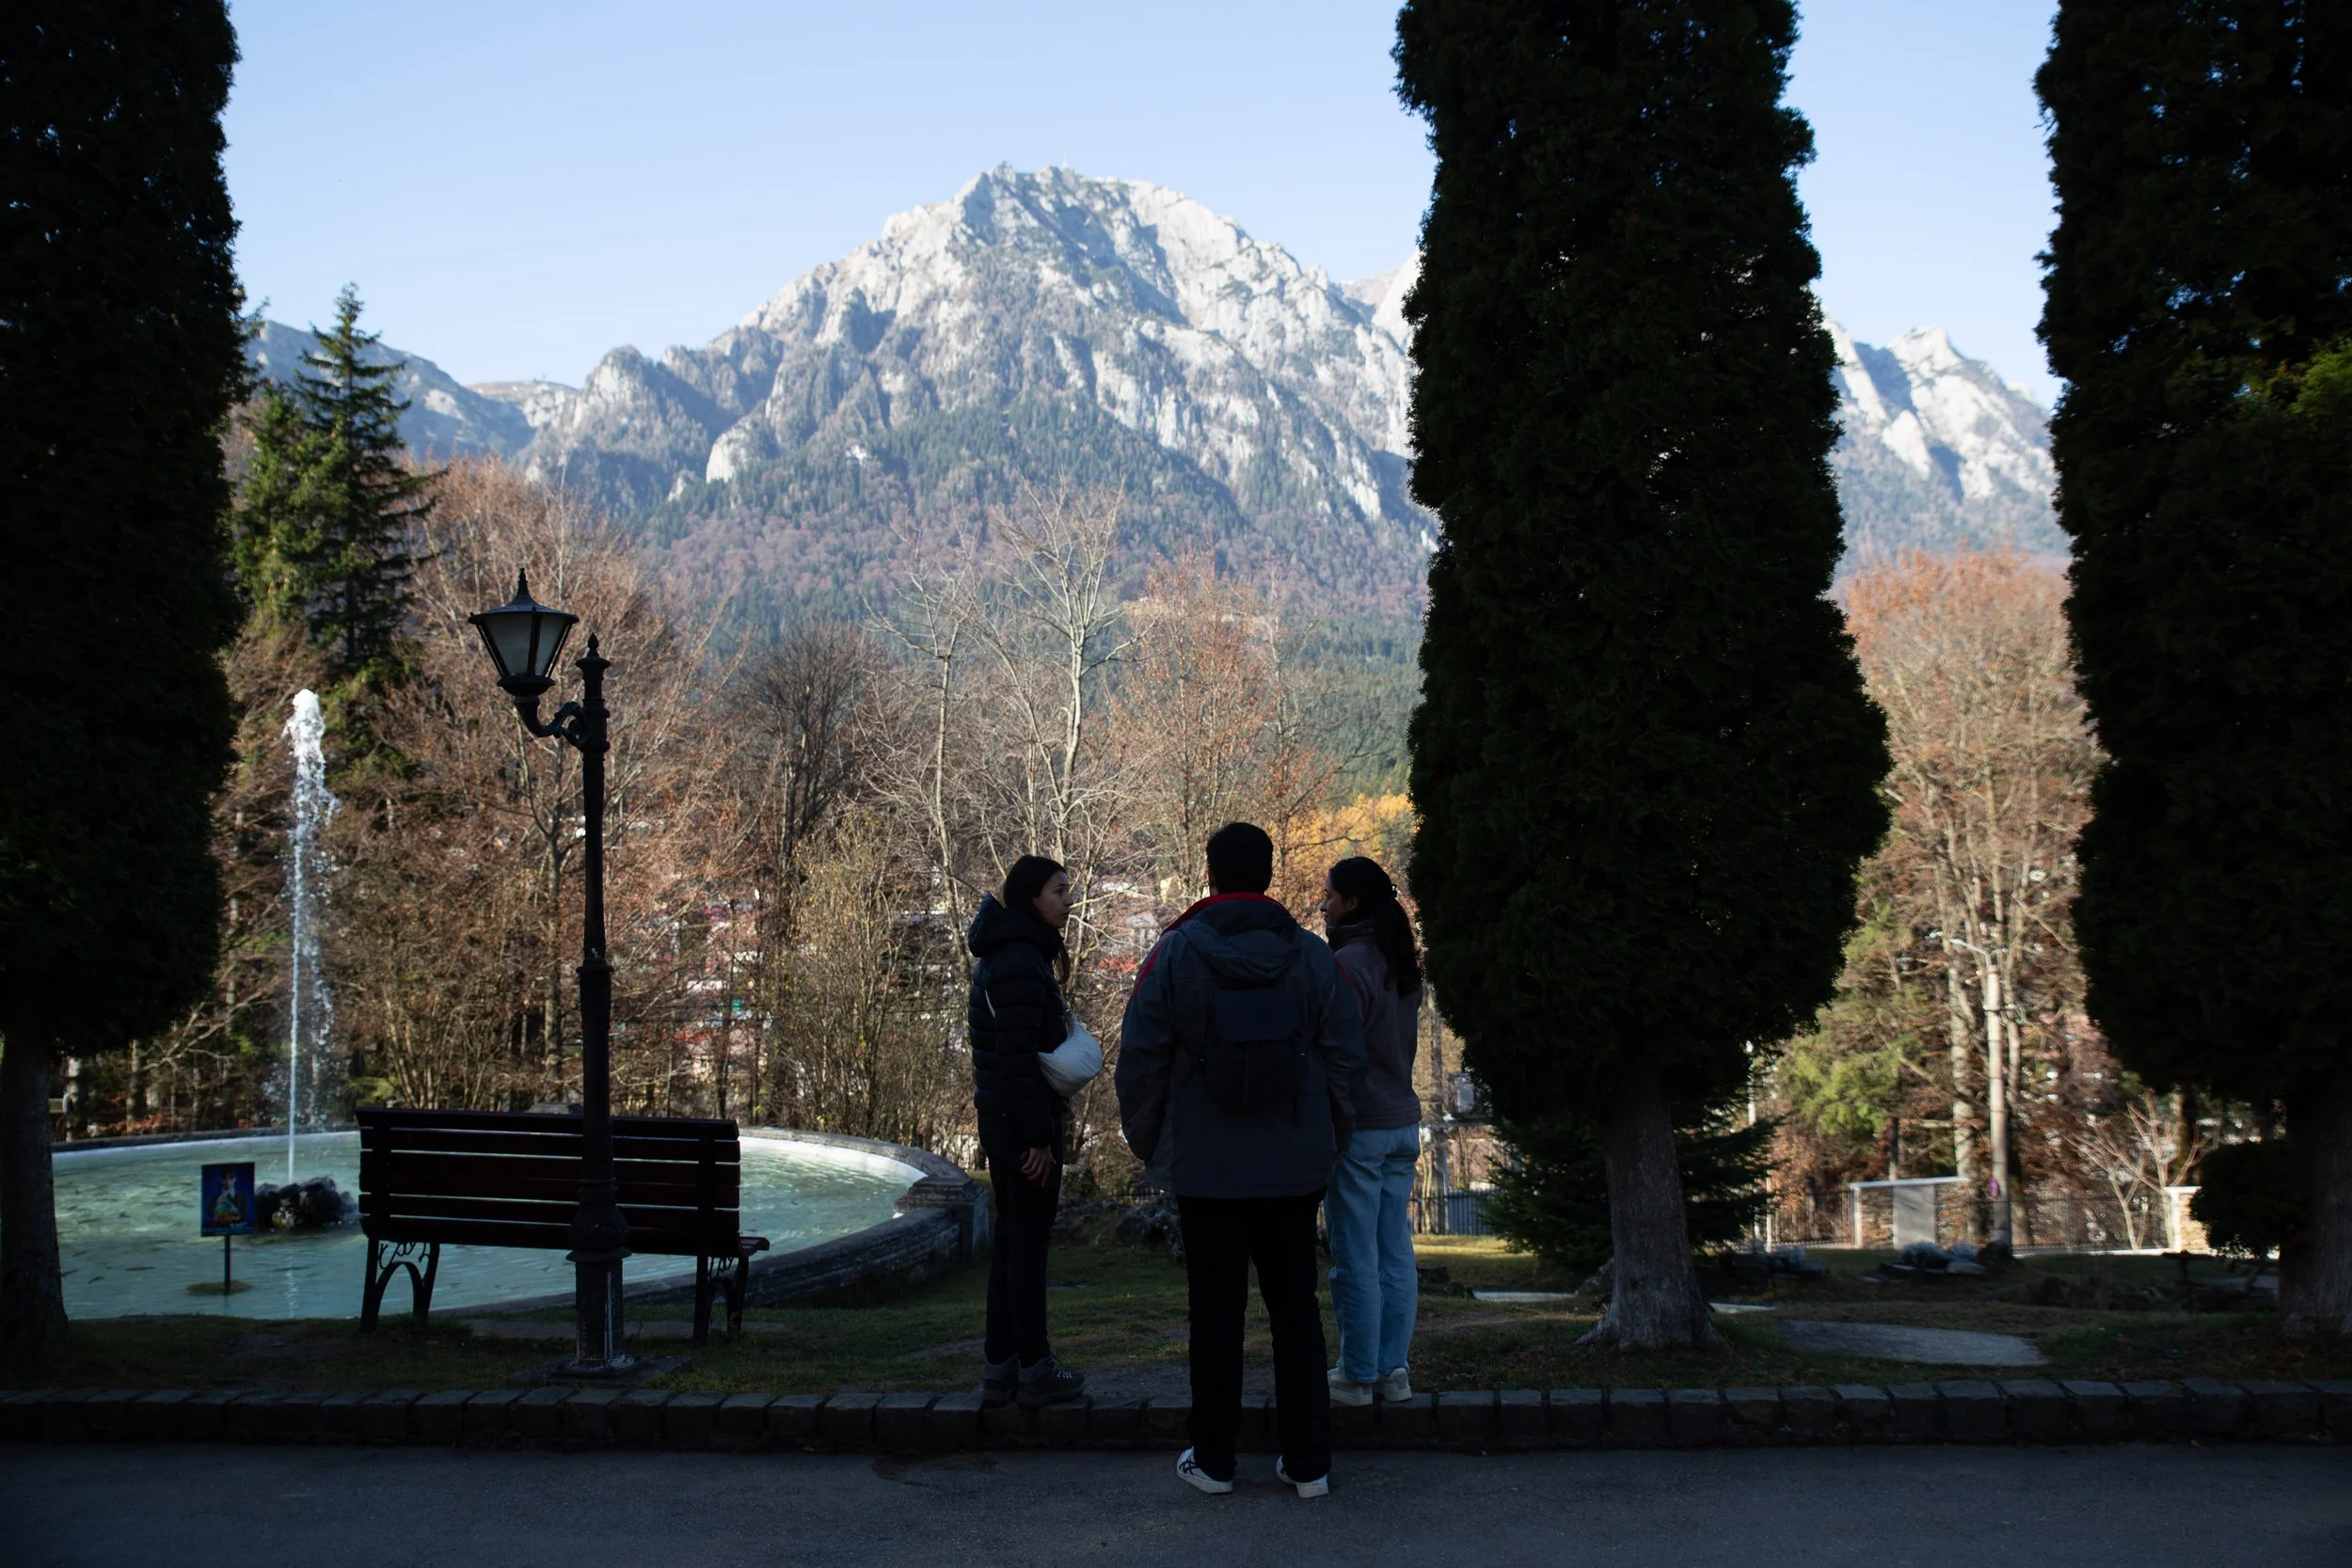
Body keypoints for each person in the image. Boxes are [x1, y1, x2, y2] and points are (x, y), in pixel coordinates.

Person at [1117, 822, 1364, 1499]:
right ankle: (1309, 1464)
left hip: (1206, 1166)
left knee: (1215, 1314)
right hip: (1294, 1163)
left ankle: (1215, 1460)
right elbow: (1346, 1057)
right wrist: (1332, 1137)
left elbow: (1140, 1058)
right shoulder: (1312, 956)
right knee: (1296, 1312)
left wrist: (1151, 1141)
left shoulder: (1174, 953)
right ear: (1268, 873)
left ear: (1211, 874)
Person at [967, 855, 1087, 1409]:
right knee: (1027, 1247)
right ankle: (1035, 1367)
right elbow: (1016, 1059)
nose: (1068, 901)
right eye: (1059, 891)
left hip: (1006, 1119)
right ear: (1030, 898)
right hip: (1021, 1125)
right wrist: (1038, 1138)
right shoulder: (1018, 958)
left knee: (1014, 1243)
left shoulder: (1014, 951)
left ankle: (1003, 1367)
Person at [1317, 857, 1426, 1407]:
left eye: (1330, 896)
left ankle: (1358, 1375)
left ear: (1353, 903)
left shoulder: (1347, 966)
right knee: (1394, 1251)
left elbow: (1337, 1054)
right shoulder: (1400, 962)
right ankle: (1393, 1370)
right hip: (1402, 1121)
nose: (1323, 905)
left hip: (1360, 1128)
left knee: (1355, 1255)